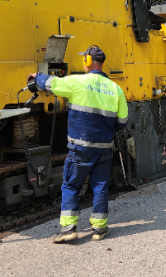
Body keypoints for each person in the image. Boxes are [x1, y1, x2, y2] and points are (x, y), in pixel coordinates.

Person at [28, 45, 128, 243]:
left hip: (81, 148)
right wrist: (106, 131)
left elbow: (52, 84)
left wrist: (36, 76)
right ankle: (99, 229)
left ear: (87, 62)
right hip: (104, 148)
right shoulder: (116, 89)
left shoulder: (77, 82)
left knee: (71, 185)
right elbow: (122, 121)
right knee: (100, 186)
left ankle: (69, 230)